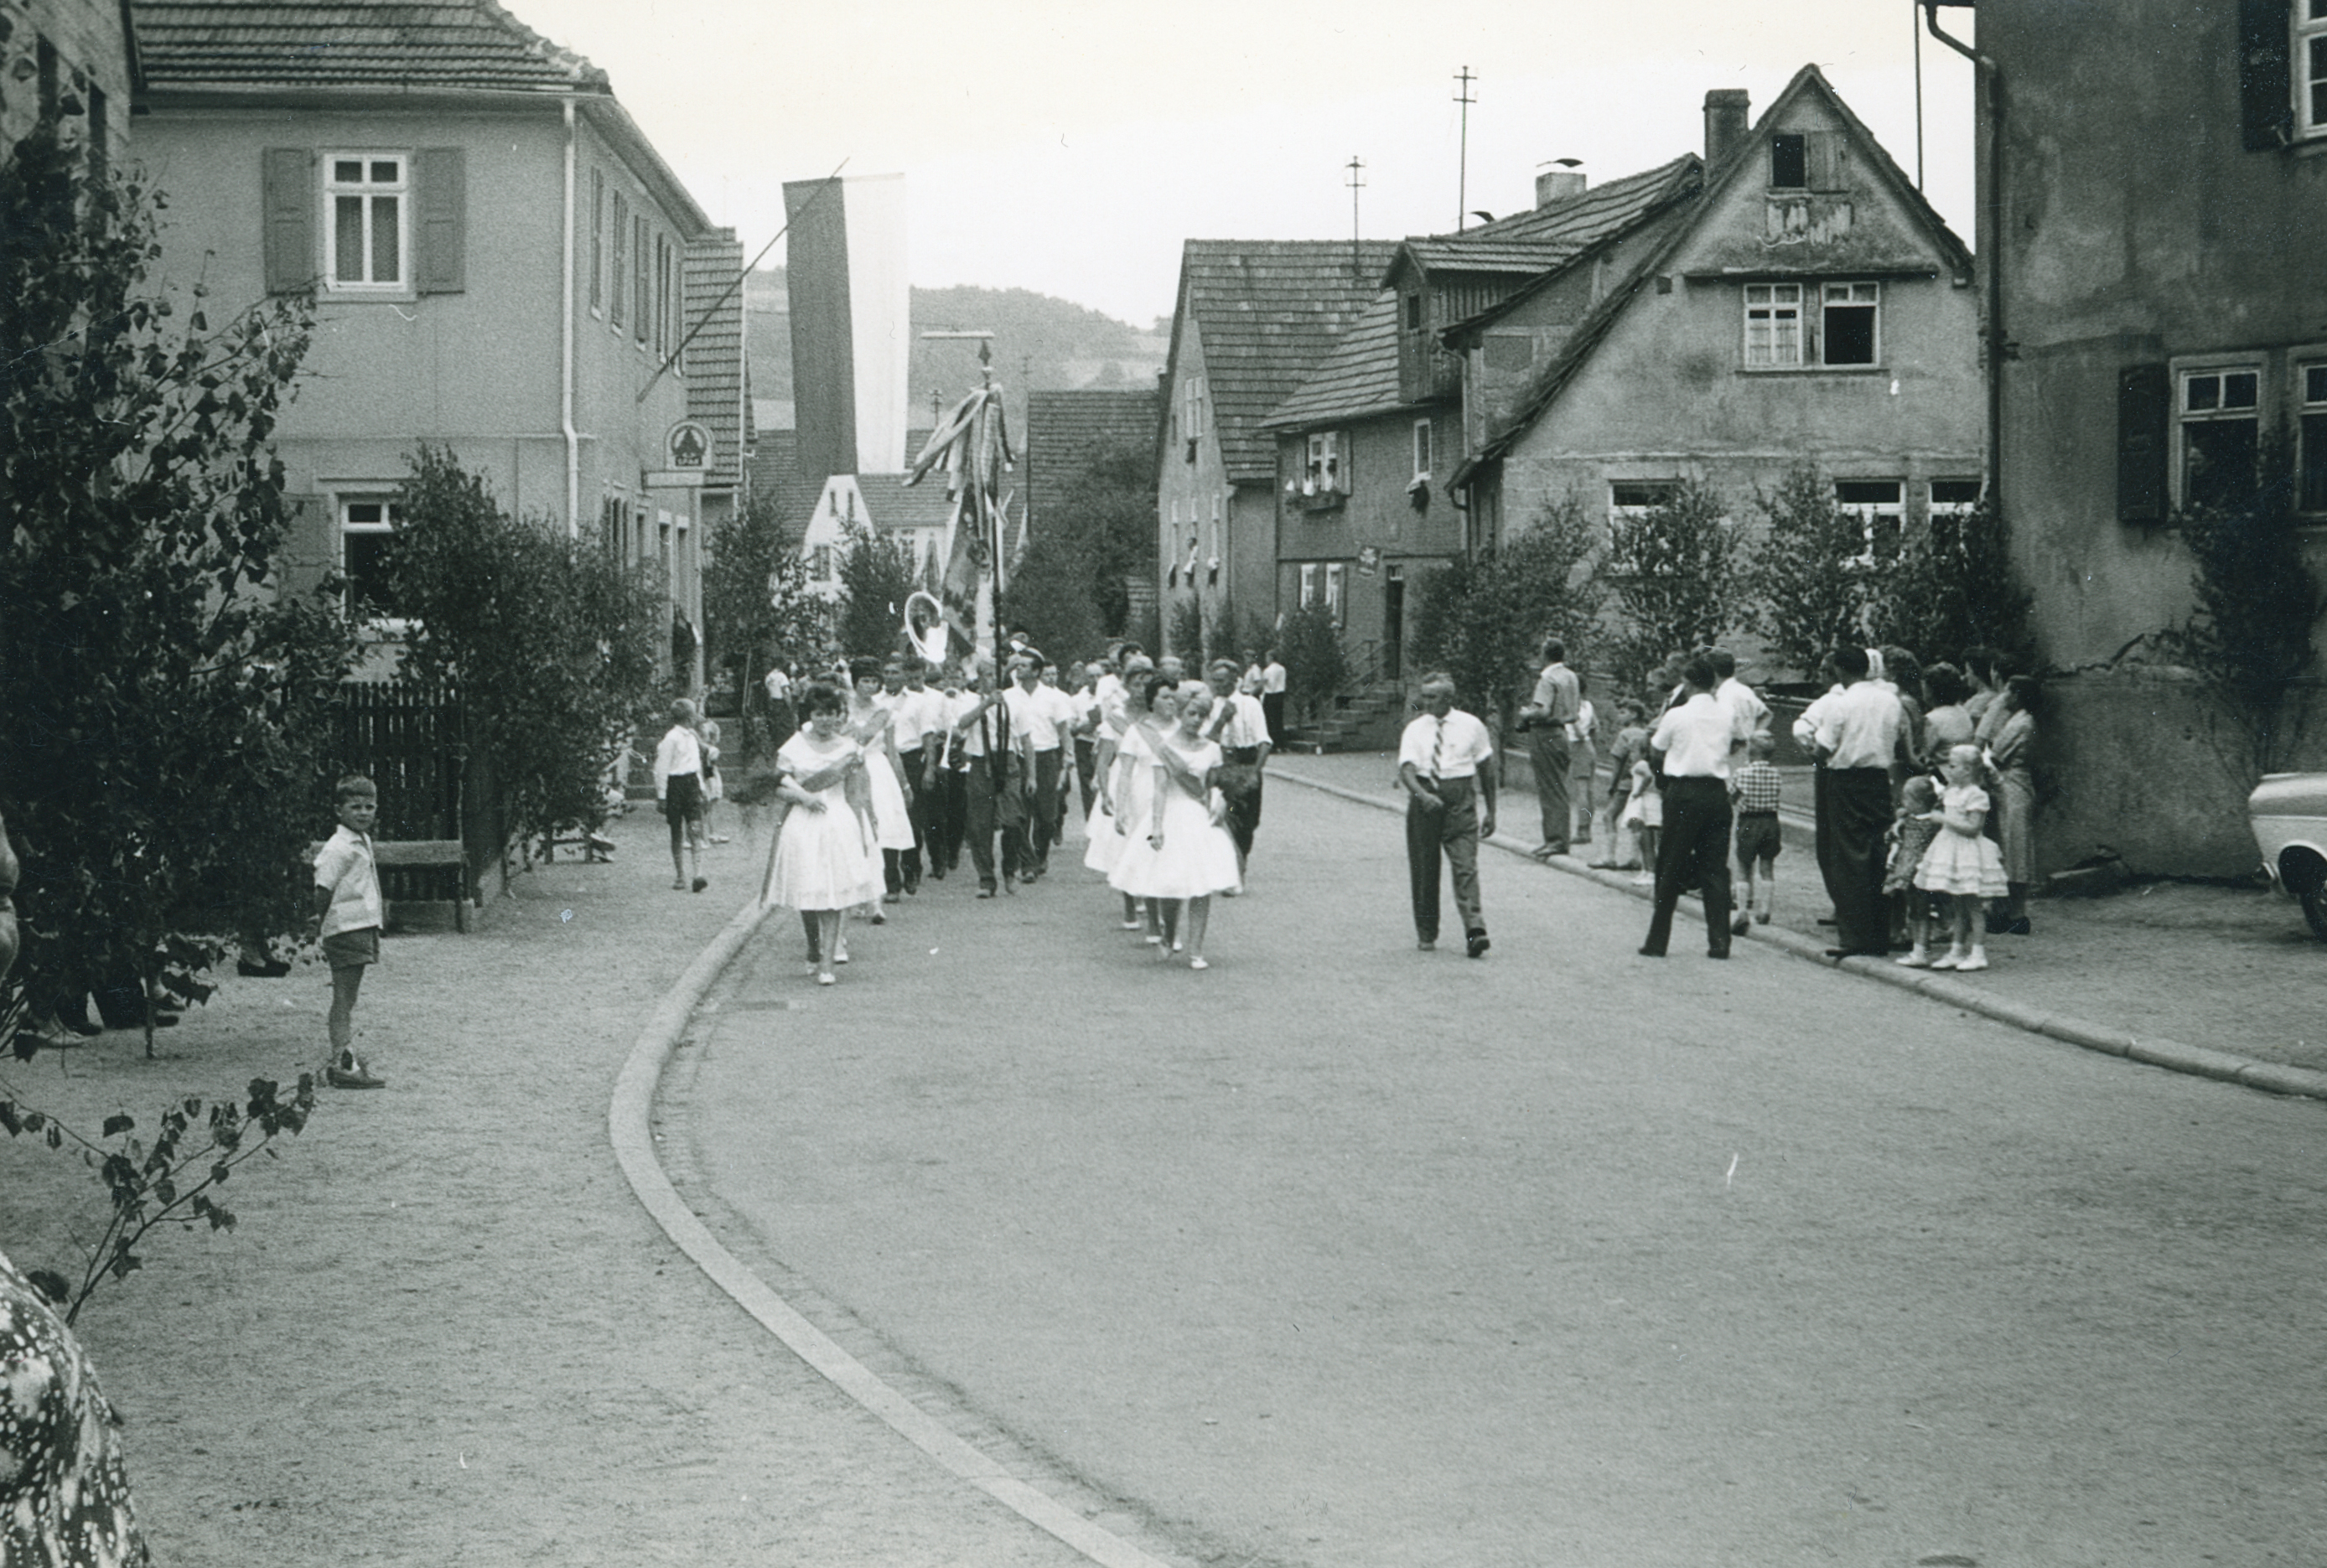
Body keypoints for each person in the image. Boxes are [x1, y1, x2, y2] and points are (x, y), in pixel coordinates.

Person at [1111, 685, 1241, 967]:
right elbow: (1159, 791)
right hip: (1170, 817)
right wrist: (1156, 827)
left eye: (1202, 715)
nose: (1197, 720)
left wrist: (1223, 806)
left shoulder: (1213, 749)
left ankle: (1196, 950)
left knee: (1201, 885)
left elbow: (1224, 788)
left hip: (1199, 820)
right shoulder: (1165, 748)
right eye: (1192, 713)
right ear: (1181, 713)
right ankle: (1169, 935)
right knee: (1171, 884)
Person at [1794, 646, 1908, 958]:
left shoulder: (1841, 704)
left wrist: (1815, 754)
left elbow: (1823, 747)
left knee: (1848, 857)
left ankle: (1857, 936)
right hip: (1878, 780)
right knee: (1879, 853)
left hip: (1846, 780)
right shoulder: (1891, 700)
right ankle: (1882, 932)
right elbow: (1897, 738)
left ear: (1842, 671)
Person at [764, 681, 882, 985]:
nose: (826, 719)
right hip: (803, 823)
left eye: (832, 713)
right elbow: (778, 787)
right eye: (819, 713)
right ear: (810, 714)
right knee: (809, 890)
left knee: (833, 893)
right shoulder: (793, 746)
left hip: (838, 821)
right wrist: (803, 797)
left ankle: (827, 963)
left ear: (840, 715)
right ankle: (814, 948)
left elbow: (857, 792)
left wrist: (864, 827)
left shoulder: (849, 749)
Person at [1637, 655, 1739, 959]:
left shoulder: (1677, 715)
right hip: (1716, 792)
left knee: (1670, 865)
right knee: (1715, 869)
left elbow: (1656, 751)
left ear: (1690, 683)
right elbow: (1733, 745)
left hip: (1684, 791)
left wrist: (1663, 781)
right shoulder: (1726, 714)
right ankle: (1720, 941)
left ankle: (1658, 940)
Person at [1397, 673, 1495, 957]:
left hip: (1460, 801)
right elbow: (1406, 770)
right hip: (1425, 799)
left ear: (1448, 698)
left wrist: (1491, 811)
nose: (1425, 702)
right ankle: (1427, 932)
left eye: (1432, 697)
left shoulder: (1471, 725)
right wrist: (1423, 795)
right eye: (1424, 696)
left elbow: (1487, 769)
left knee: (1466, 866)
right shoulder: (1415, 729)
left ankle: (1475, 930)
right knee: (1425, 869)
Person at [310, 774, 388, 1089]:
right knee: (343, 997)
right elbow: (323, 887)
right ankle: (342, 1062)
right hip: (345, 927)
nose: (364, 813)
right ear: (338, 810)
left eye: (370, 806)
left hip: (362, 924)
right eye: (355, 806)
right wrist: (318, 921)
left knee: (349, 996)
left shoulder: (361, 840)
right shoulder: (338, 848)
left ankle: (345, 1058)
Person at [1915, 743, 2009, 970]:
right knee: (1958, 904)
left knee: (1973, 905)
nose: (1949, 769)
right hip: (1951, 849)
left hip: (1968, 852)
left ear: (1968, 770)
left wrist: (1944, 820)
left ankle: (1978, 953)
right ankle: (1956, 950)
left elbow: (1973, 828)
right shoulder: (1952, 791)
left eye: (1953, 765)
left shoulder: (1977, 795)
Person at [950, 661, 1030, 898]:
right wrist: (986, 704)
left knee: (1013, 819)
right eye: (985, 675)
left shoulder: (1014, 701)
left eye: (995, 676)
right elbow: (961, 725)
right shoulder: (969, 700)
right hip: (980, 761)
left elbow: (1026, 739)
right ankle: (986, 878)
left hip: (1008, 759)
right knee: (980, 824)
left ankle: (1010, 868)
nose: (990, 680)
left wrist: (1032, 774)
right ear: (979, 678)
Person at [846, 658, 918, 910]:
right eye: (865, 680)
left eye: (874, 681)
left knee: (885, 826)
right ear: (855, 682)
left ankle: (890, 884)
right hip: (851, 769)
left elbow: (892, 750)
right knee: (855, 829)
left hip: (878, 769)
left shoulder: (884, 712)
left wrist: (904, 784)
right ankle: (859, 889)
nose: (870, 686)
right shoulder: (843, 709)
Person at [1003, 653, 1078, 880]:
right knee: (1020, 812)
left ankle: (1040, 855)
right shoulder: (1009, 695)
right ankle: (1027, 863)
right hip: (1018, 758)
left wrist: (1068, 753)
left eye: (1024, 665)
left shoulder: (1053, 697)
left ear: (1036, 671)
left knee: (1047, 815)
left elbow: (1063, 729)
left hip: (1047, 757)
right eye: (1017, 665)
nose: (1019, 668)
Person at [1201, 657, 1272, 874]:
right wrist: (1221, 719)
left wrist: (1255, 772)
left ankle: (1241, 855)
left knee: (1248, 820)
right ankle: (1230, 868)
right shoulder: (1208, 706)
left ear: (1235, 680)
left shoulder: (1249, 703)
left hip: (1246, 764)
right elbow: (1205, 741)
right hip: (1222, 765)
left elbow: (1264, 741)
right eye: (1214, 680)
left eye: (1223, 680)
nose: (1218, 685)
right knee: (1227, 813)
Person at [1517, 637, 1583, 860]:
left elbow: (1543, 711)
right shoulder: (1570, 676)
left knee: (1549, 788)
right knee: (1558, 786)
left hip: (1544, 733)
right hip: (1562, 732)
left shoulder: (1547, 678)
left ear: (1545, 655)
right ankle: (1556, 838)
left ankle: (1555, 840)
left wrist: (1526, 714)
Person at [1988, 675, 2039, 934]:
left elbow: (1996, 755)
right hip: (2013, 786)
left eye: (2008, 691)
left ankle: (2014, 913)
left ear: (2016, 694)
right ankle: (2007, 911)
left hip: (2012, 786)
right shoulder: (2022, 720)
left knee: (2013, 849)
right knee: (2011, 849)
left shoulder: (2020, 723)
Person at [1885, 774, 1946, 967]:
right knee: (1915, 909)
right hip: (1907, 867)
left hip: (1919, 869)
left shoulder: (1932, 822)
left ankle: (1920, 951)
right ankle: (1917, 945)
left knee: (1920, 910)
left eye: (1907, 799)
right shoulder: (1909, 818)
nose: (1903, 803)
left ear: (1919, 802)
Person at [1729, 730, 1784, 932]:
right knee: (1767, 866)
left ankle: (1742, 911)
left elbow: (1732, 796)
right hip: (1771, 821)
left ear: (1750, 751)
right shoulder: (1776, 774)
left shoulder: (1742, 773)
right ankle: (1765, 910)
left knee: (1744, 866)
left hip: (1749, 821)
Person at [654, 698, 710, 893]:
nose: (696, 718)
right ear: (688, 717)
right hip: (674, 785)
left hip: (691, 784)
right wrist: (662, 795)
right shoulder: (671, 739)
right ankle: (680, 875)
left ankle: (698, 874)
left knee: (695, 827)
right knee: (676, 831)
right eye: (694, 714)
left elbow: (696, 766)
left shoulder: (692, 738)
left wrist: (701, 788)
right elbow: (662, 768)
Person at [1590, 701, 1650, 870]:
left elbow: (1618, 762)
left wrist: (1612, 784)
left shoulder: (1625, 734)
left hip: (1625, 782)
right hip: (1640, 782)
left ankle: (1609, 857)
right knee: (1636, 819)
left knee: (1609, 816)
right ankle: (1635, 858)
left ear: (1634, 715)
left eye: (1623, 712)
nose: (1619, 716)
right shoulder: (1646, 733)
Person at [1618, 750, 1661, 885]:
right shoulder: (1656, 765)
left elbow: (1647, 777)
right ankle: (1647, 869)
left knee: (1644, 838)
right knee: (1648, 838)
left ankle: (1650, 871)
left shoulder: (1641, 764)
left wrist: (1638, 792)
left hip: (1642, 800)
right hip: (1652, 800)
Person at [1568, 675, 1599, 850]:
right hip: (1588, 746)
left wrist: (1579, 735)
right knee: (1589, 790)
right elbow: (1595, 726)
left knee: (1581, 791)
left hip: (1578, 746)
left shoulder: (1571, 706)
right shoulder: (1588, 705)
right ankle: (1586, 829)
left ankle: (1582, 830)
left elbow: (1576, 731)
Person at [697, 715, 728, 845]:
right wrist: (709, 783)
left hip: (705, 776)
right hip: (709, 777)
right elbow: (709, 767)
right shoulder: (712, 750)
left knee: (708, 808)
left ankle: (711, 833)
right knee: (708, 807)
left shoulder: (700, 748)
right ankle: (707, 834)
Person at [1260, 648, 1288, 745]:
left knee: (1269, 719)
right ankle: (1280, 743)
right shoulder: (1282, 669)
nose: (1266, 660)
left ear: (1271, 658)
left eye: (1267, 657)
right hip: (1280, 695)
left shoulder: (1267, 670)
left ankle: (1271, 742)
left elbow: (1268, 684)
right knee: (1278, 719)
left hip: (1270, 695)